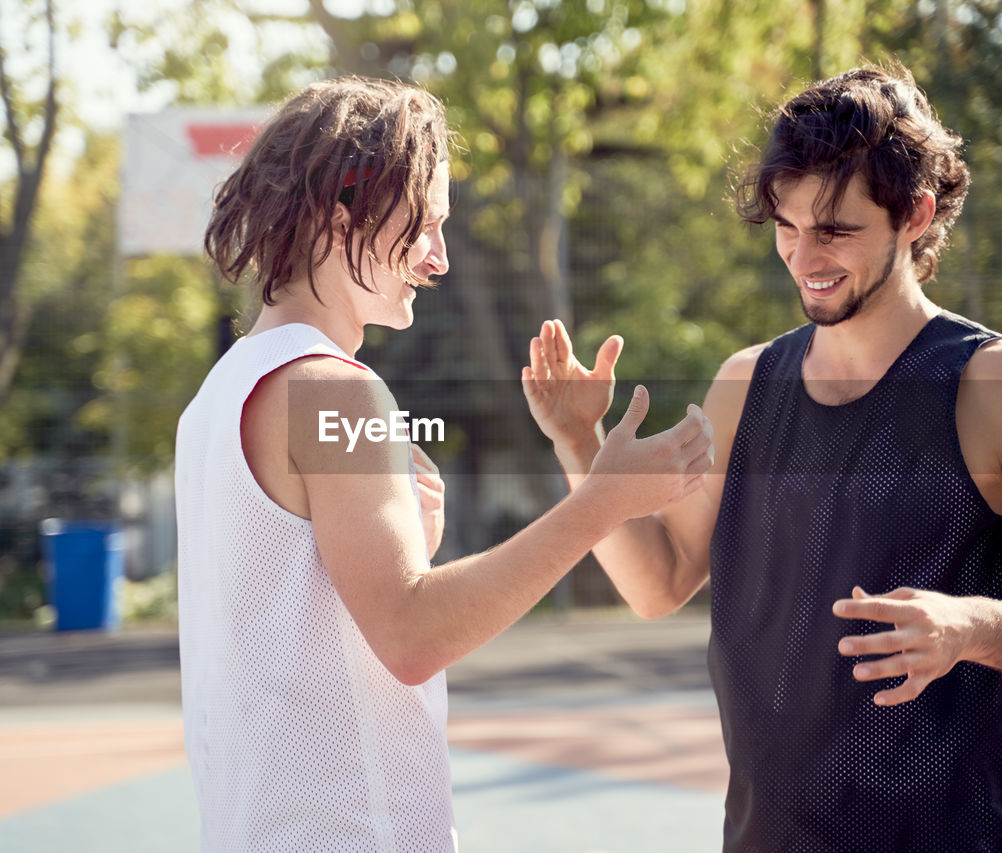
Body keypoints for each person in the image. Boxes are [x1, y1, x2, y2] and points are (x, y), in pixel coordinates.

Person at [522, 65, 1002, 851]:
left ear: (914, 214)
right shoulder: (746, 384)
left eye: (835, 229)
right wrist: (579, 442)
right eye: (787, 226)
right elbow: (659, 579)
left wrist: (968, 626)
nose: (805, 255)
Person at [174, 76, 713, 852]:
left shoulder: (217, 399)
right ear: (339, 220)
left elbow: (296, 614)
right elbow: (411, 633)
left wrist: (398, 540)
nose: (439, 259)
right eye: (425, 225)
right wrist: (605, 499)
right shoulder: (335, 395)